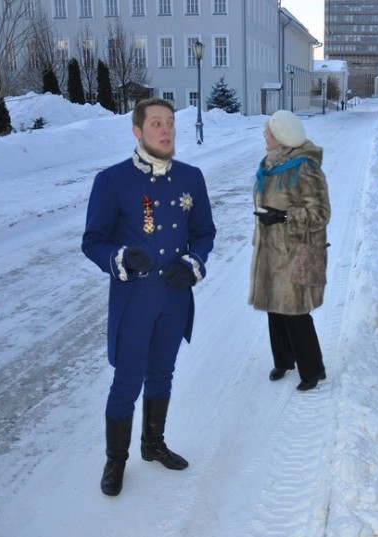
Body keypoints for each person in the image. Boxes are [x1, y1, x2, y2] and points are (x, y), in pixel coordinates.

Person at [82, 98, 216, 496]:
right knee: (126, 382)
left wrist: (193, 262)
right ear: (137, 131)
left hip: (173, 297)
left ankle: (153, 445)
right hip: (135, 300)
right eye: (156, 123)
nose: (166, 130)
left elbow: (205, 232)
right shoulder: (113, 181)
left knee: (163, 375)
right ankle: (116, 460)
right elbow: (93, 242)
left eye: (170, 123)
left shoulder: (191, 178)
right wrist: (118, 258)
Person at [249, 110, 330, 392]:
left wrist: (283, 218)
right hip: (271, 249)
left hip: (298, 249)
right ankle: (284, 360)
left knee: (295, 311)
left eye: (268, 133)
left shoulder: (305, 168)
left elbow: (321, 213)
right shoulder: (270, 164)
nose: (265, 137)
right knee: (275, 306)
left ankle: (314, 369)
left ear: (281, 137)